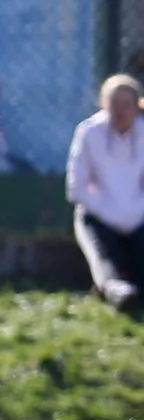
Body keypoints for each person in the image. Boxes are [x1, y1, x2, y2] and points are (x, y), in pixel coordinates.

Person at [67, 74, 144, 311]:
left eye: (126, 104)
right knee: (105, 256)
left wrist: (134, 211)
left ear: (137, 107)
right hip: (99, 216)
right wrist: (111, 212)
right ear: (103, 104)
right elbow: (76, 188)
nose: (120, 111)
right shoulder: (88, 132)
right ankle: (115, 289)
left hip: (139, 216)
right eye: (114, 103)